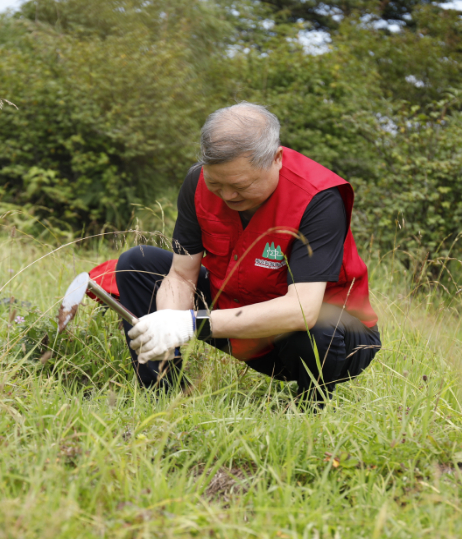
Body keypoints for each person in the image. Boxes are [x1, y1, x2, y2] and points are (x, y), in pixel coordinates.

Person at [104, 102, 381, 405]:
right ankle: (161, 394)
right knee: (137, 263)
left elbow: (302, 309)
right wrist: (168, 321)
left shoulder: (319, 198)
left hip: (327, 340)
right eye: (216, 184)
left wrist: (191, 323)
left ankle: (312, 408)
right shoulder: (197, 183)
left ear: (276, 158)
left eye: (240, 185)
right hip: (238, 311)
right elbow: (182, 275)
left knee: (317, 328)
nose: (226, 196)